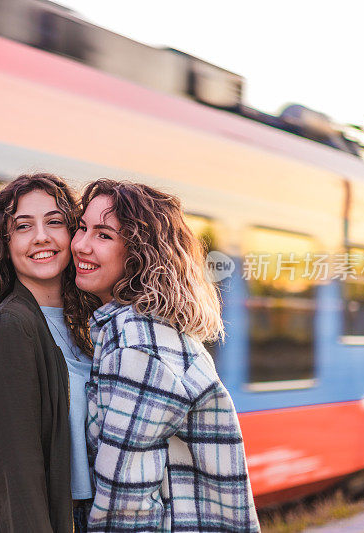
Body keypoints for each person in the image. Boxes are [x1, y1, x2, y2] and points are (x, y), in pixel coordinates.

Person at [71, 179, 260, 532]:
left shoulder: (137, 347)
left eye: (104, 235)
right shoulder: (147, 329)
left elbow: (123, 503)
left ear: (140, 254)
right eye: (82, 228)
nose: (80, 245)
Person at [0, 173, 99, 533]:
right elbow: (16, 473)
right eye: (23, 226)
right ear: (6, 243)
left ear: (72, 235)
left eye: (54, 222)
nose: (41, 237)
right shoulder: (11, 327)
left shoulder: (82, 325)